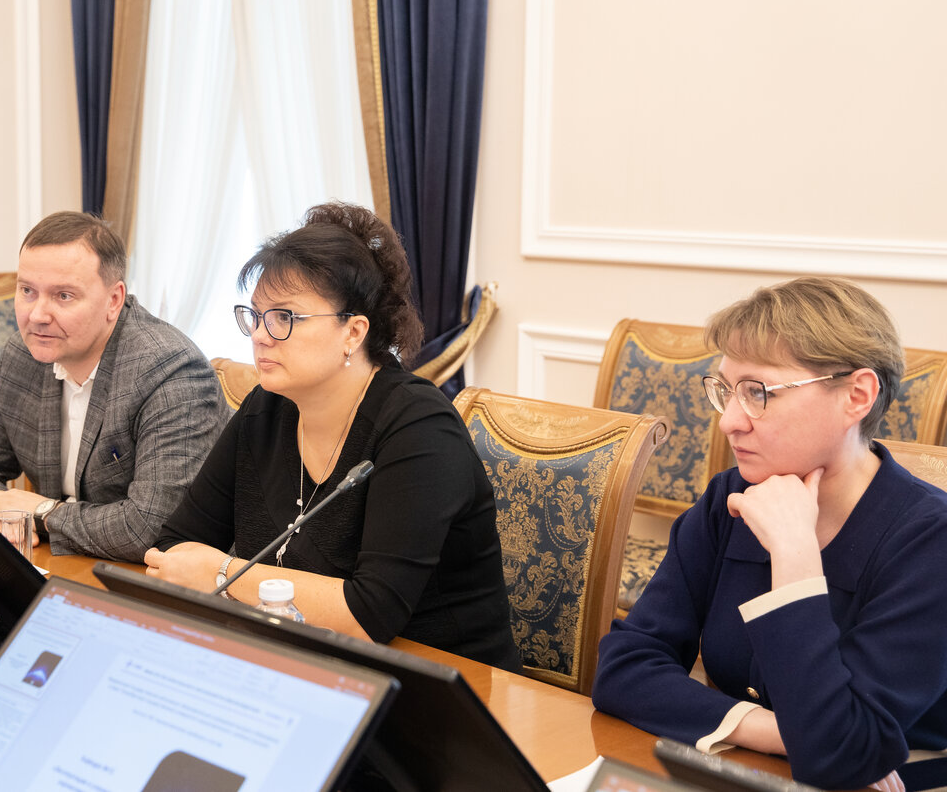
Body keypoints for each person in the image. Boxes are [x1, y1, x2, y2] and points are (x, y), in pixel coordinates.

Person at [592, 277, 947, 791]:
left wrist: (795, 556)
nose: (729, 422)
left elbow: (840, 760)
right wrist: (779, 731)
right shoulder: (731, 497)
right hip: (746, 768)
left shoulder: (930, 540)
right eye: (726, 392)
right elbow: (622, 668)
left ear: (857, 396)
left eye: (758, 393)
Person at [144, 202, 520, 671]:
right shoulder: (267, 408)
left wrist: (221, 573)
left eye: (285, 317)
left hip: (441, 684)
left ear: (353, 332)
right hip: (303, 665)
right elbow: (174, 547)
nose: (259, 335)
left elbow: (369, 615)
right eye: (255, 316)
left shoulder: (419, 427)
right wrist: (204, 571)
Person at [0, 211, 228, 561]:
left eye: (63, 296)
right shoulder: (24, 356)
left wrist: (41, 512)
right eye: (27, 291)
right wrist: (1, 515)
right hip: (66, 563)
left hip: (155, 579)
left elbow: (150, 526)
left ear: (114, 300)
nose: (38, 315)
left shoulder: (169, 371)